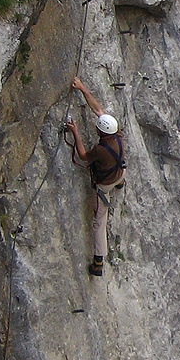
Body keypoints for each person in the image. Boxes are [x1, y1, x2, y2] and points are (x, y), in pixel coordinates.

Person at [66, 76, 126, 275]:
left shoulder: (100, 150)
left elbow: (83, 156)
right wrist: (82, 88)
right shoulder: (118, 133)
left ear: (100, 132)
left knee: (99, 222)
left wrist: (75, 132)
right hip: (119, 173)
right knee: (118, 170)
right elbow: (98, 109)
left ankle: (98, 262)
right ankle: (120, 183)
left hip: (105, 185)